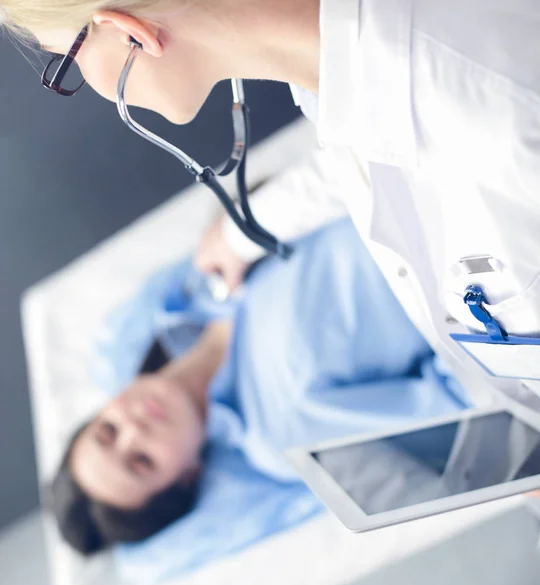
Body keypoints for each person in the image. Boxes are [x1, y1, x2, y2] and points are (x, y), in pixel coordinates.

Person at [3, 0, 540, 498]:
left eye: (66, 64)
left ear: (130, 32)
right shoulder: (329, 92)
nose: (134, 428)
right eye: (141, 460)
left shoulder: (496, 115)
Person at [50, 219, 470, 554]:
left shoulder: (190, 291)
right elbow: (461, 392)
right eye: (142, 460)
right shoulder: (282, 435)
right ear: (187, 478)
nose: (134, 430)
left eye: (108, 431)